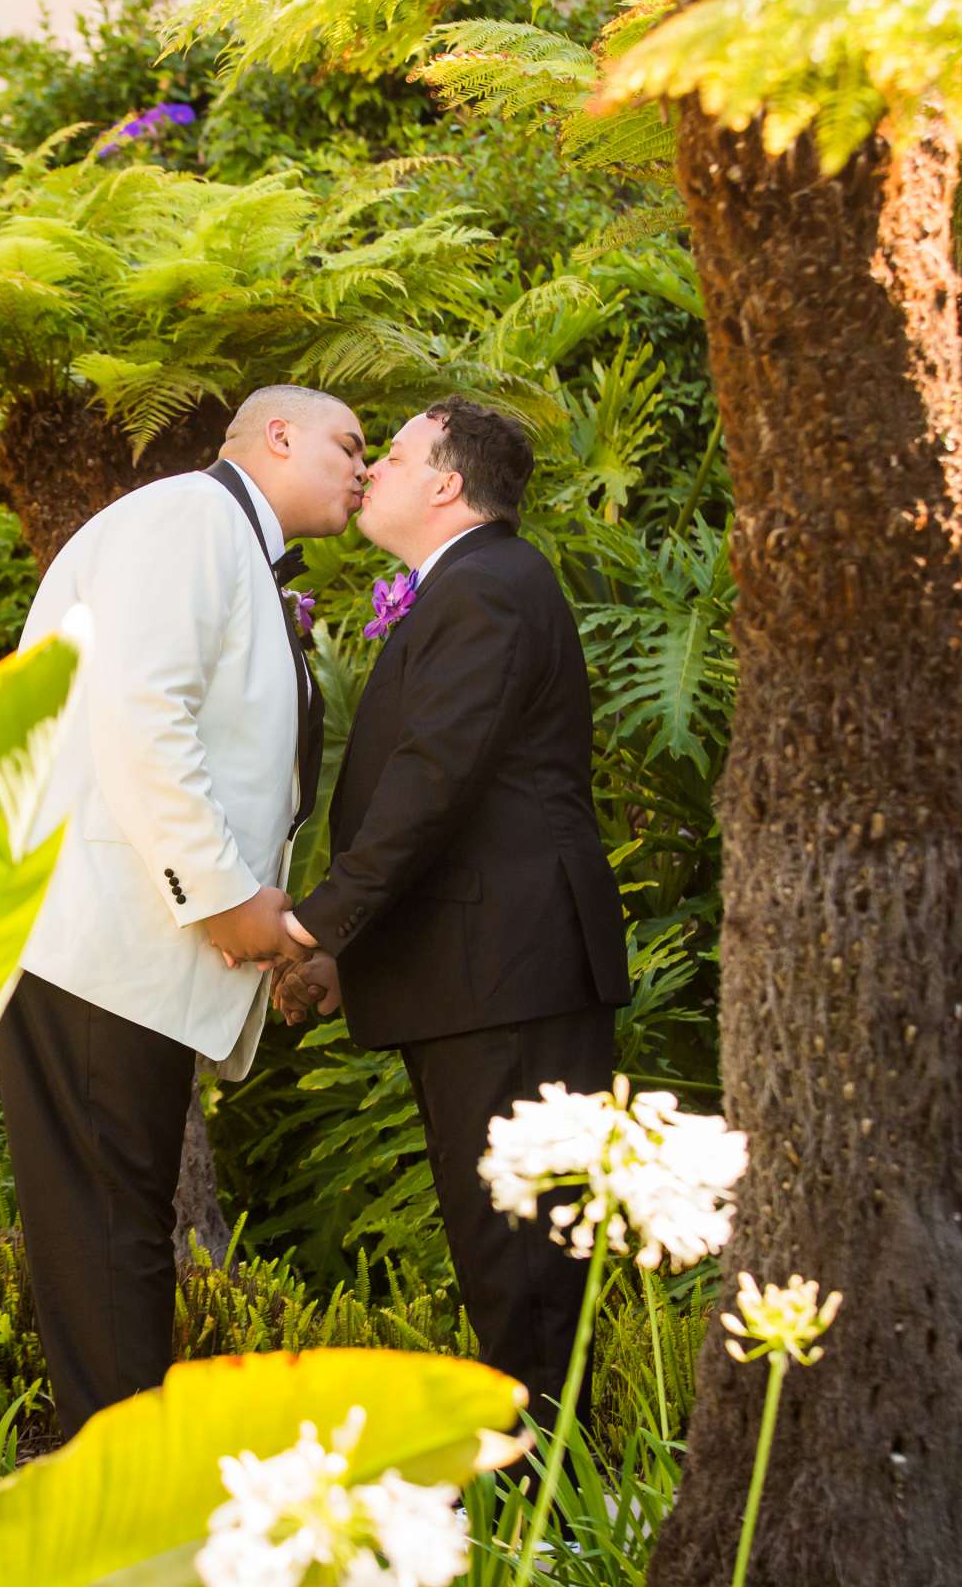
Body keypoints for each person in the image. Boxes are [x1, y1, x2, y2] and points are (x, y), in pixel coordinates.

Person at [0, 384, 364, 1434]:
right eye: (348, 444)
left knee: (112, 1230)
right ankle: (120, 1512)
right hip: (101, 944)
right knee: (110, 1232)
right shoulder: (190, 518)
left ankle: (114, 1493)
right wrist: (223, 897)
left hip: (113, 944)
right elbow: (138, 705)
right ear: (275, 436)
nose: (363, 469)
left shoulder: (211, 535)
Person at [274, 396, 630, 1410]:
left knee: (522, 1257)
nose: (368, 473)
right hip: (485, 971)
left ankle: (547, 1520)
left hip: (508, 974)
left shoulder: (490, 588)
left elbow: (434, 778)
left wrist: (314, 923)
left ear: (444, 483)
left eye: (388, 456)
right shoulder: (471, 586)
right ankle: (539, 1501)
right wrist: (351, 945)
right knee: (504, 1252)